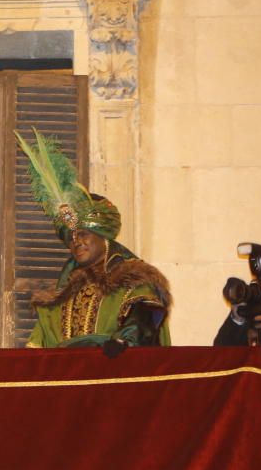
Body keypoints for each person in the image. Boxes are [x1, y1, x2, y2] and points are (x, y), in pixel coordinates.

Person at [16, 129, 171, 348]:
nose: (75, 242)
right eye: (70, 238)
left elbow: (145, 320)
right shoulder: (56, 302)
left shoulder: (133, 282)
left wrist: (122, 341)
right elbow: (37, 347)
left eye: (82, 234)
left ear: (103, 235)